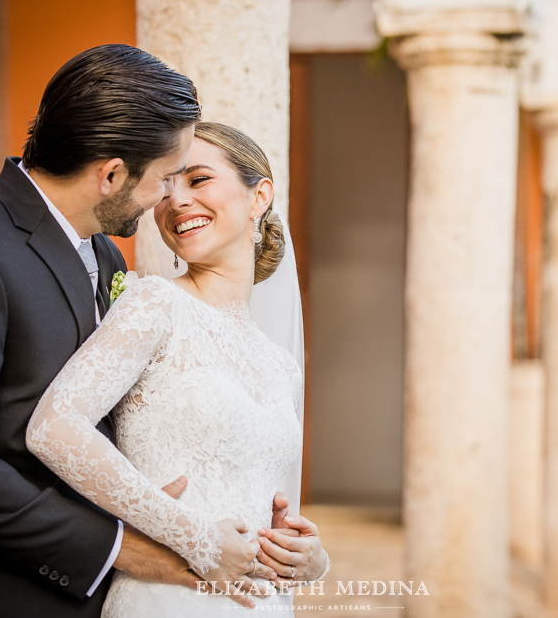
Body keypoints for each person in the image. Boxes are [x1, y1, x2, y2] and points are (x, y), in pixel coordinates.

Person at [0, 44, 226, 618]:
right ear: (111, 174)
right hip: (2, 598)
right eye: (165, 177)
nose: (169, 197)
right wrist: (121, 549)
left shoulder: (104, 255)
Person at [26, 122, 330, 617]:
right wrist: (192, 537)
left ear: (260, 197)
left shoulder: (280, 365)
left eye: (198, 180)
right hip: (168, 600)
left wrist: (307, 560)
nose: (176, 201)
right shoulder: (154, 303)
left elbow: (266, 498)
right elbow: (53, 428)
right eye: (167, 187)